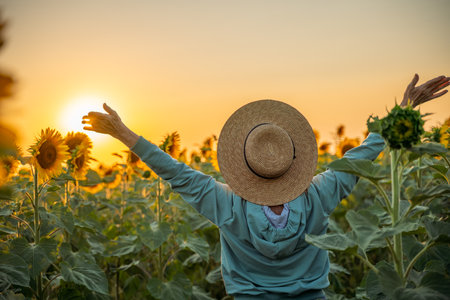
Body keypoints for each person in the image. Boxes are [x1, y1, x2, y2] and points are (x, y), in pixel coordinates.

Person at [82, 74, 449, 299]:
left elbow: (176, 173)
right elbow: (364, 154)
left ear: (243, 163)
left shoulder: (225, 204)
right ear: (294, 159)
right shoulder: (320, 194)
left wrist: (124, 133)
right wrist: (406, 107)